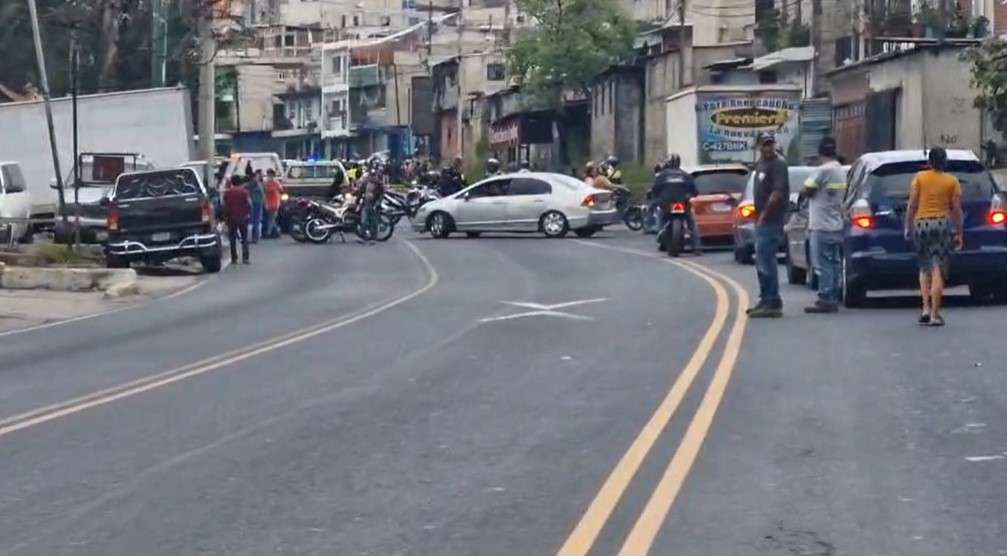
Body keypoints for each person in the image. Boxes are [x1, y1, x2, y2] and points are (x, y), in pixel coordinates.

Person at [905, 146, 963, 327]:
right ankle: (935, 315)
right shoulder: (952, 181)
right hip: (941, 224)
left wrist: (908, 226)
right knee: (938, 268)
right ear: (945, 162)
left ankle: (925, 308)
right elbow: (957, 209)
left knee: (924, 267)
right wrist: (959, 232)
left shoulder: (919, 178)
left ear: (929, 162)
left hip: (921, 224)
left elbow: (912, 205)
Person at [801, 137, 847, 314]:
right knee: (834, 263)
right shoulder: (840, 170)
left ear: (820, 152)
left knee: (824, 264)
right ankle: (833, 295)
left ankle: (825, 298)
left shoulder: (823, 170)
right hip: (836, 223)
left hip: (821, 225)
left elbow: (806, 190)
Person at [748, 131, 790, 318]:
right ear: (759, 146)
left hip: (771, 220)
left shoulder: (778, 164)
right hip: (760, 219)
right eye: (764, 144)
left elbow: (777, 192)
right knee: (761, 260)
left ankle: (773, 301)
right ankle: (765, 299)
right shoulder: (761, 164)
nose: (768, 147)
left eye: (770, 143)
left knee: (766, 260)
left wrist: (765, 213)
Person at [651, 154, 702, 254]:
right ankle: (696, 247)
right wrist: (691, 195)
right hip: (683, 203)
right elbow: (694, 191)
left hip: (666, 204)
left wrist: (656, 199)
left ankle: (659, 235)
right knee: (691, 224)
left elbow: (655, 190)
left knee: (660, 217)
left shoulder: (662, 175)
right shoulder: (685, 175)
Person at [223, 175, 251, 264]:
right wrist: (248, 213)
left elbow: (225, 206)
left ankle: (234, 258)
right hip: (243, 217)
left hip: (232, 218)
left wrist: (225, 217)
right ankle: (245, 258)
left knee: (232, 238)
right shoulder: (245, 192)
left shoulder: (228, 192)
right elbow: (249, 204)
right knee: (244, 238)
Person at [359, 169, 385, 245]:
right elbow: (360, 192)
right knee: (364, 222)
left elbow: (381, 194)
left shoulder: (378, 184)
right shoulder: (365, 183)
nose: (373, 177)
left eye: (374, 176)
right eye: (371, 176)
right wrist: (357, 201)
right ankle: (364, 237)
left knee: (373, 222)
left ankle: (373, 238)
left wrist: (378, 203)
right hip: (365, 204)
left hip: (373, 205)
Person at [263, 169, 285, 239]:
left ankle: (270, 233)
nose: (268, 176)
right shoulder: (272, 182)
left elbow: (281, 190)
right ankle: (275, 232)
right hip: (271, 202)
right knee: (272, 218)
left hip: (273, 202)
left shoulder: (270, 182)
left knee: (271, 218)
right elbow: (281, 190)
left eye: (269, 174)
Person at [246, 169, 266, 243]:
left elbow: (263, 194)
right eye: (257, 176)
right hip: (253, 203)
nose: (258, 178)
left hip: (258, 203)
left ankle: (255, 237)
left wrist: (264, 202)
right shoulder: (252, 184)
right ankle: (252, 237)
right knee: (253, 221)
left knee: (256, 221)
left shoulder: (260, 184)